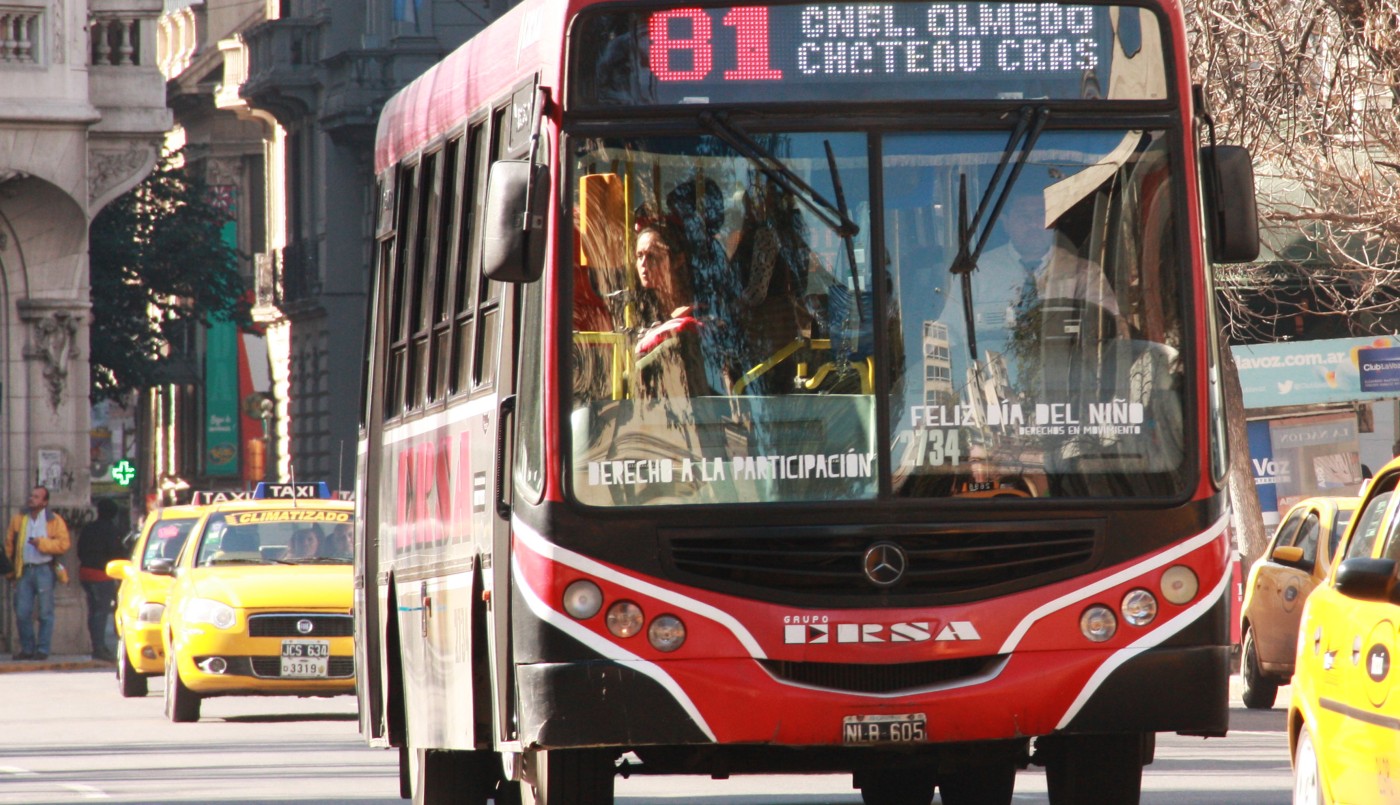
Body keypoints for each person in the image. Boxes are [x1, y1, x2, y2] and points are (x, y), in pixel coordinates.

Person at [631, 221, 716, 398]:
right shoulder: (636, 308)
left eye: (652, 256)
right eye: (639, 256)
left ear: (677, 260)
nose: (643, 264)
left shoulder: (701, 307)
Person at [4, 486, 71, 660]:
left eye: (36, 497)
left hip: (44, 569)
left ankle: (42, 649)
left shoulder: (54, 520)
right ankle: (27, 648)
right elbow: (9, 545)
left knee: (45, 612)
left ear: (44, 502)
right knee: (21, 611)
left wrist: (41, 543)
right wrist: (10, 572)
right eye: (31, 496)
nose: (32, 499)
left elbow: (63, 544)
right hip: (24, 570)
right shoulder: (19, 519)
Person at [78, 499, 125, 661]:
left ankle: (95, 644)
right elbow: (116, 553)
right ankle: (99, 647)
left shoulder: (89, 528)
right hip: (102, 574)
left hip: (85, 572)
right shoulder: (112, 531)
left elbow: (80, 550)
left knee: (93, 610)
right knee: (101, 612)